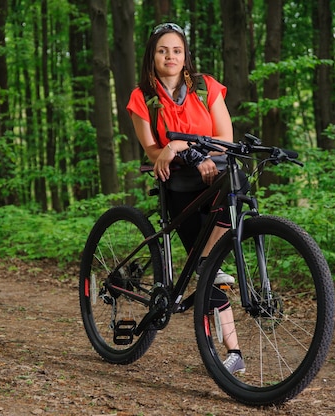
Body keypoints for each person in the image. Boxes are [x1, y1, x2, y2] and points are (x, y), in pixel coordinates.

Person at [126, 22, 245, 375]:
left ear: (185, 55)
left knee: (211, 255)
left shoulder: (205, 87)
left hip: (214, 174)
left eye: (177, 50)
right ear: (153, 56)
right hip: (177, 183)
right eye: (163, 50)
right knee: (207, 264)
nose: (170, 56)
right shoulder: (143, 97)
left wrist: (181, 144)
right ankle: (234, 351)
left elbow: (225, 138)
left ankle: (211, 271)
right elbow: (151, 150)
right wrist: (173, 150)